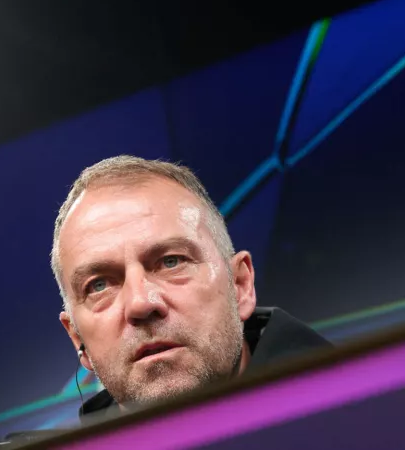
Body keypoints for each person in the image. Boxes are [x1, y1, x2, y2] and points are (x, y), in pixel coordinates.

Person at [51, 155, 332, 422]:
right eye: (99, 285)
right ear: (78, 340)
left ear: (240, 285)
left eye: (171, 262)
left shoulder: (366, 422)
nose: (141, 303)